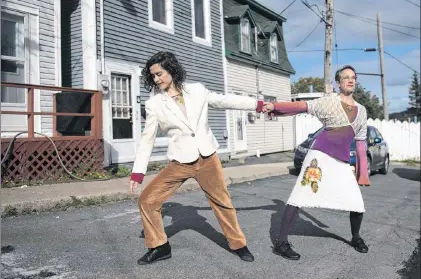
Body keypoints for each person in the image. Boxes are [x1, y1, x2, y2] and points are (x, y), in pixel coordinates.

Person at [130, 51, 261, 265]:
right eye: (153, 76)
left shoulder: (197, 90)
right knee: (147, 200)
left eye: (160, 73)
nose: (157, 79)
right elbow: (147, 139)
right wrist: (137, 172)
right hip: (179, 162)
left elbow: (224, 100)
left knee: (223, 203)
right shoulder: (154, 104)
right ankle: (159, 246)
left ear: (171, 69)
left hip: (207, 158)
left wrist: (256, 105)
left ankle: (239, 244)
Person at [260, 65, 370, 261]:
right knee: (299, 196)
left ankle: (356, 237)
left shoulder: (362, 111)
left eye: (353, 77)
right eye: (346, 77)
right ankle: (281, 243)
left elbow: (361, 141)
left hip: (342, 161)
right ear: (338, 83)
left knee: (357, 202)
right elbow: (302, 106)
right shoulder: (328, 102)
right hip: (319, 156)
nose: (350, 80)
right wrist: (275, 106)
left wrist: (363, 173)